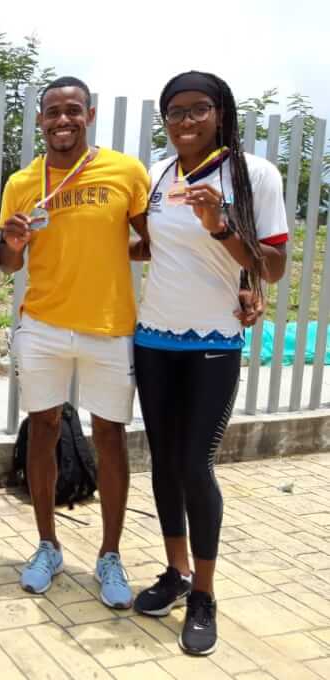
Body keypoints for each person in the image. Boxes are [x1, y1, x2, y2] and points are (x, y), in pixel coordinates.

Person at [131, 71, 287, 655]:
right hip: (154, 337)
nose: (186, 121)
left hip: (214, 338)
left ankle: (204, 592)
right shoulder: (156, 174)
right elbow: (150, 246)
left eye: (198, 108)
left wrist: (220, 226)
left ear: (221, 113)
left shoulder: (253, 175)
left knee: (196, 465)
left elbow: (272, 267)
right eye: (175, 111)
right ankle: (176, 572)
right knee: (164, 463)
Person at [0, 76, 150, 608]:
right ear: (40, 120)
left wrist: (117, 251)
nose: (62, 120)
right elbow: (8, 261)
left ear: (90, 114)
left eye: (72, 110)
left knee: (109, 436)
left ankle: (110, 554)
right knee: (43, 429)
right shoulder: (22, 182)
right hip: (42, 324)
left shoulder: (126, 171)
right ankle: (48, 545)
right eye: (52, 112)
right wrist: (12, 242)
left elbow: (152, 239)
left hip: (109, 325)